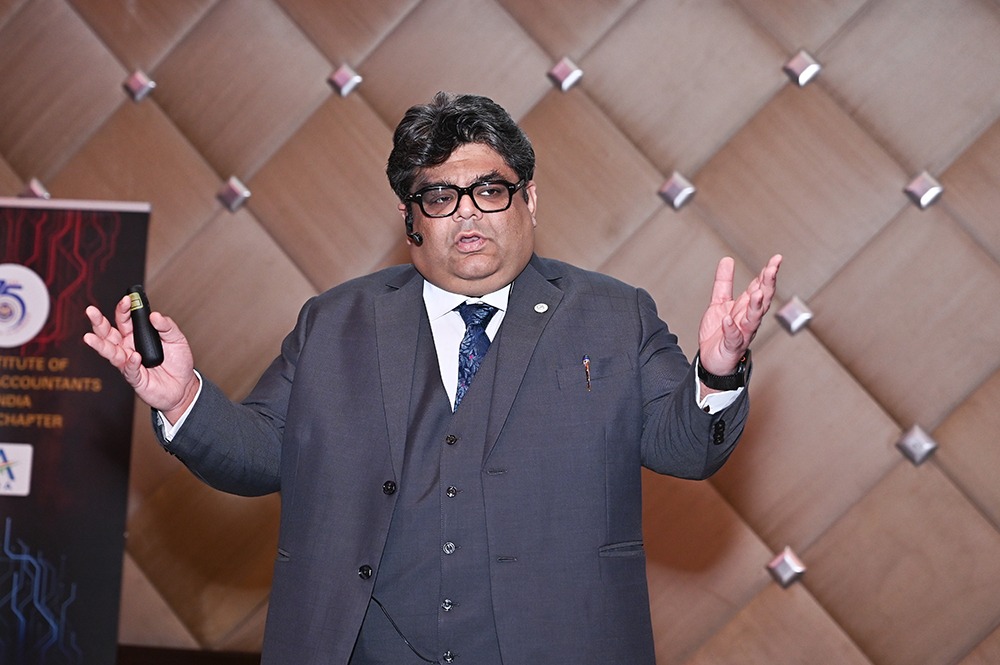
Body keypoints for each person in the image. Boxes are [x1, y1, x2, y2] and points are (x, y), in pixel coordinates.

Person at [85, 92, 781, 665]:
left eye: (490, 191)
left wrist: (717, 370)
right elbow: (262, 451)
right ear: (410, 218)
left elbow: (685, 447)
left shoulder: (612, 315)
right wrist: (183, 397)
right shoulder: (336, 322)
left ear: (530, 200)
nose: (468, 213)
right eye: (441, 197)